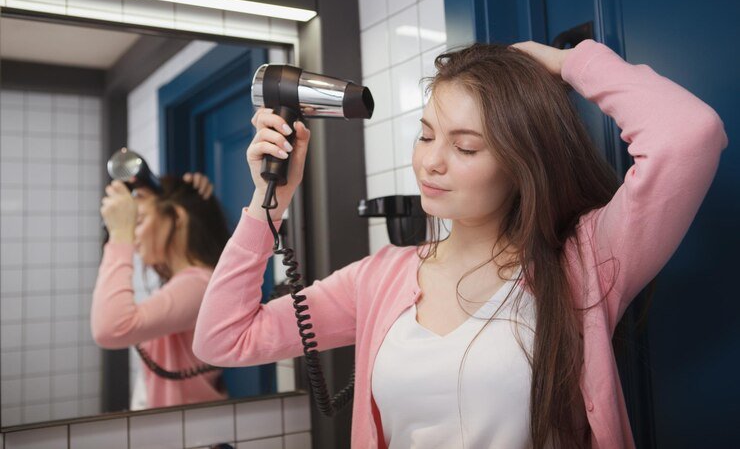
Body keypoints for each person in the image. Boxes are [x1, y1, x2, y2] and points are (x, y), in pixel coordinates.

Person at [192, 39, 727, 448]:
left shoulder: (585, 262)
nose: (431, 161)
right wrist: (269, 202)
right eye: (426, 134)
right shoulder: (379, 279)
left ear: (523, 165)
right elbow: (224, 339)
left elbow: (689, 134)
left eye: (465, 146)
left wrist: (565, 62)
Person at [92, 172, 230, 409]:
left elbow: (110, 328)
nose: (134, 236)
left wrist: (119, 235)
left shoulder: (199, 285)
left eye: (139, 221)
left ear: (177, 217)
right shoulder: (189, 283)